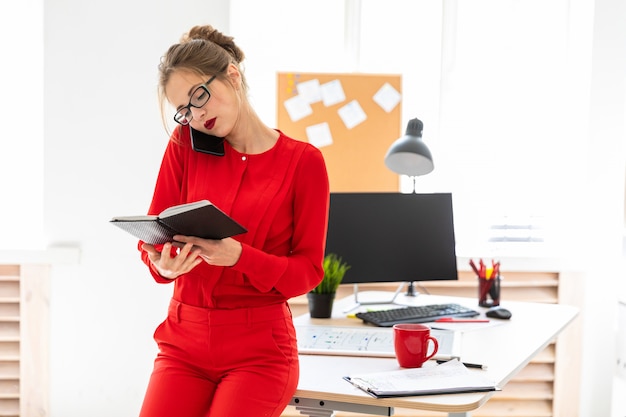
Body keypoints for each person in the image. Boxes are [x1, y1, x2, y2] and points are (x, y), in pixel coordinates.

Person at [137, 25, 329, 417]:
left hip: (259, 352)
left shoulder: (303, 163)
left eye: (200, 96)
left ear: (232, 75)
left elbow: (308, 272)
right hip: (182, 342)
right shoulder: (183, 145)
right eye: (185, 109)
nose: (196, 114)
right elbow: (154, 236)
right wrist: (162, 263)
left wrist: (239, 256)